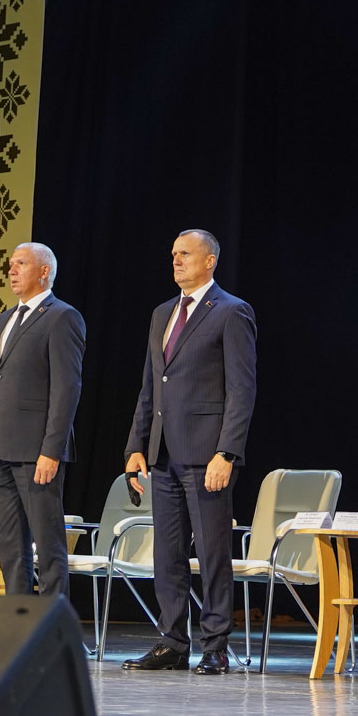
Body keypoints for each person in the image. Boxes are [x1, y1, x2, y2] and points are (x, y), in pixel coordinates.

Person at [122, 229, 257, 675]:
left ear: (210, 260)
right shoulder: (163, 313)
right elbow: (150, 385)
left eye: (185, 254)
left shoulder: (231, 311)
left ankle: (215, 644)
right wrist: (136, 446)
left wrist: (227, 452)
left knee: (213, 552)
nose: (176, 260)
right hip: (162, 453)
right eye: (173, 254)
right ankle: (172, 642)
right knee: (168, 553)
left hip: (206, 455)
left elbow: (242, 390)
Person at [0, 242, 86, 598]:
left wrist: (52, 450)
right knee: (9, 546)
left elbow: (67, 389)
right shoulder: (4, 320)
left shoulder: (62, 316)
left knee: (48, 544)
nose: (11, 270)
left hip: (37, 453)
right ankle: (18, 618)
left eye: (20, 263)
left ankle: (52, 621)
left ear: (44, 271)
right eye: (11, 264)